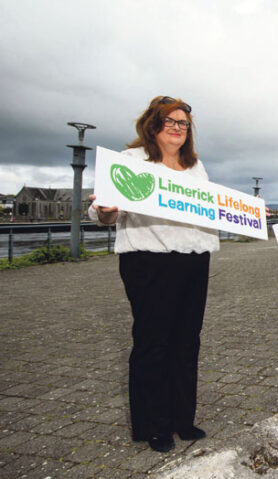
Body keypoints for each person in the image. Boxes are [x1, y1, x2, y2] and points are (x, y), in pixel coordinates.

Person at [88, 96, 218, 453]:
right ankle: (153, 424)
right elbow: (104, 212)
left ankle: (182, 418)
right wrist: (105, 211)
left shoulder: (196, 167)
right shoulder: (130, 161)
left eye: (183, 123)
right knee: (153, 342)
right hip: (148, 259)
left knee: (187, 340)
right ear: (152, 124)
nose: (177, 128)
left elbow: (211, 209)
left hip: (194, 258)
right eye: (170, 121)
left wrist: (245, 214)